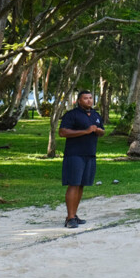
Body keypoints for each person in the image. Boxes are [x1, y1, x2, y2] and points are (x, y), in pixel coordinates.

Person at [57, 90, 104, 228]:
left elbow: (101, 130)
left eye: (90, 98)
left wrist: (99, 131)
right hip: (74, 154)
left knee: (81, 184)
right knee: (74, 183)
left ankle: (73, 215)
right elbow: (62, 132)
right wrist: (85, 131)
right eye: (85, 98)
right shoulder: (72, 115)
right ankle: (70, 218)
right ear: (79, 101)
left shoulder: (95, 115)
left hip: (90, 154)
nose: (89, 100)